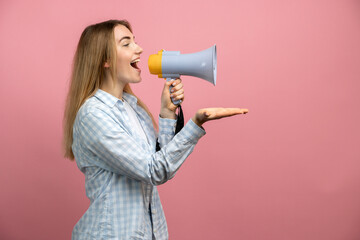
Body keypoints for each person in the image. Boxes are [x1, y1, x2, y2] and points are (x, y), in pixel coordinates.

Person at [63, 19, 248, 240]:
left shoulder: (134, 108)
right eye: (126, 43)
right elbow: (154, 171)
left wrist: (167, 112)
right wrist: (196, 124)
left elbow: (161, 160)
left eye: (135, 41)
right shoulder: (93, 115)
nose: (139, 48)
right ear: (105, 60)